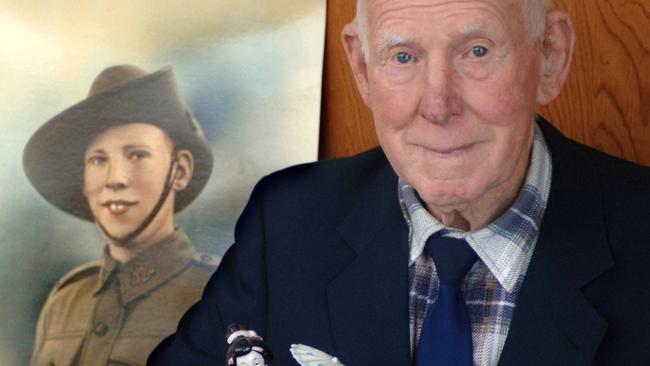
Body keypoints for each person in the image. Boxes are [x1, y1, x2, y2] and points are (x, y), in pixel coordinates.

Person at [148, 1, 650, 365]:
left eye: (476, 51)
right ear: (363, 68)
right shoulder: (287, 222)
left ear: (551, 57)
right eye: (404, 56)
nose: (437, 104)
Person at [24, 64, 220, 366]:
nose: (115, 179)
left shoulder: (218, 294)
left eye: (137, 155)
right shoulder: (65, 301)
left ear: (179, 171)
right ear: (83, 181)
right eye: (98, 159)